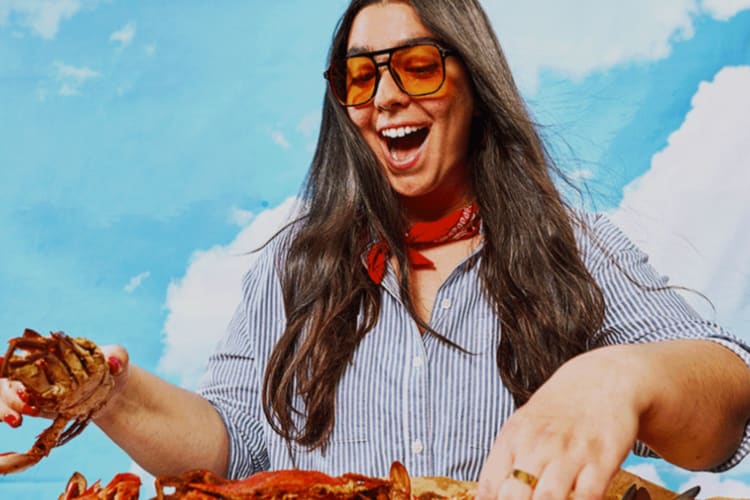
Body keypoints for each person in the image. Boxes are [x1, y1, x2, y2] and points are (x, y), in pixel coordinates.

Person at [2, 0, 750, 498]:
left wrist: (618, 375)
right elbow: (231, 448)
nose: (384, 96)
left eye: (416, 64)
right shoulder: (294, 267)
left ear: (474, 79)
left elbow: (729, 408)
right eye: (360, 77)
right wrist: (105, 392)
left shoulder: (574, 248)